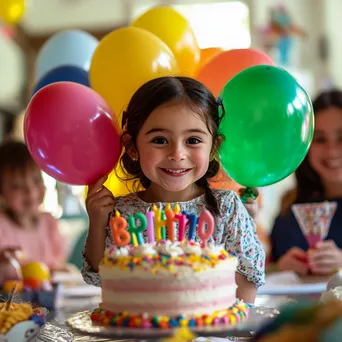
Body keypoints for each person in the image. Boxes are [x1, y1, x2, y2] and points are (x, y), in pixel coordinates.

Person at [83, 76, 265, 303]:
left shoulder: (225, 208)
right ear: (132, 147)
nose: (177, 154)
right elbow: (101, 275)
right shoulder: (120, 212)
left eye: (193, 140)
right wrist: (98, 222)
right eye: (160, 140)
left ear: (213, 147)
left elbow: (247, 279)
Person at [270, 89, 342, 276]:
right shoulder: (290, 206)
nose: (332, 151)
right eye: (320, 139)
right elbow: (259, 274)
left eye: (341, 138)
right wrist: (279, 269)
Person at [0, 140, 67, 279]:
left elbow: (56, 265)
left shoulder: (49, 223)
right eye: (17, 186)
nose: (30, 192)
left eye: (36, 180)